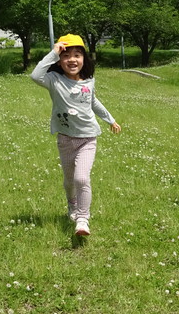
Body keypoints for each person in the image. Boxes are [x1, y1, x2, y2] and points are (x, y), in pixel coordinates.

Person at [30, 34, 121, 237]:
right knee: (69, 180)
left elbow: (94, 103)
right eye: (66, 55)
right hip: (65, 138)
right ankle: (72, 205)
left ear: (84, 58)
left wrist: (110, 119)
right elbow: (35, 75)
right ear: (60, 60)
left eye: (77, 55)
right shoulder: (54, 80)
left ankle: (82, 218)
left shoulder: (89, 81)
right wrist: (53, 53)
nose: (72, 59)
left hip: (87, 137)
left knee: (81, 178)